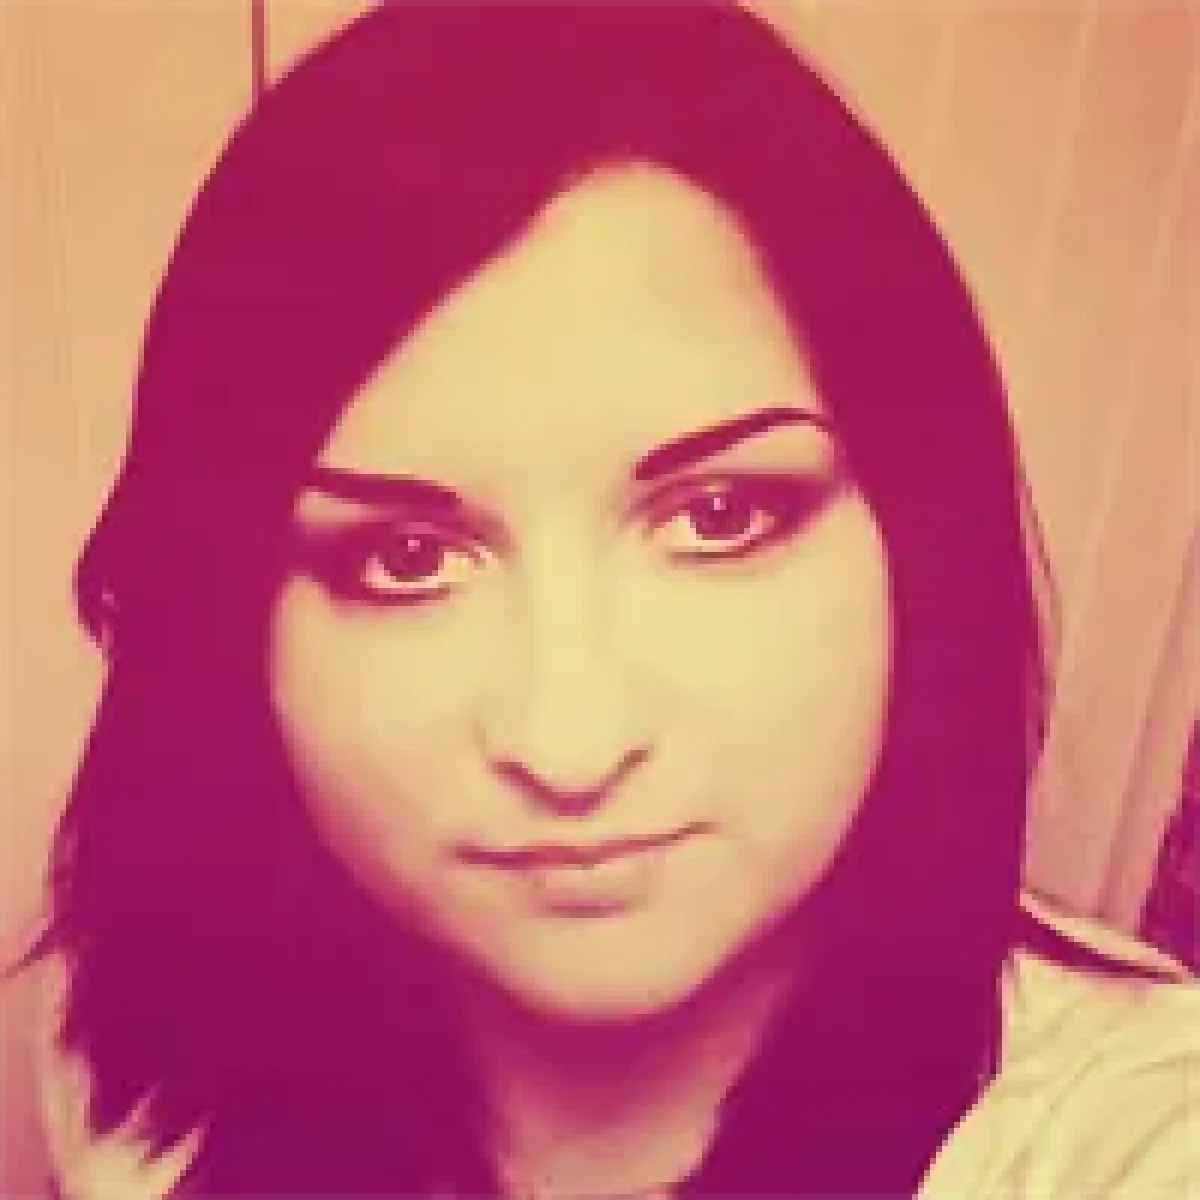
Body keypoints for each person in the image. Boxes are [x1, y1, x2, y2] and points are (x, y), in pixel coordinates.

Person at [24, 1, 1198, 1196]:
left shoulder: (1134, 1137)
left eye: (720, 516)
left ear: (919, 530)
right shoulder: (131, 1047)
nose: (569, 745)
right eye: (405, 557)